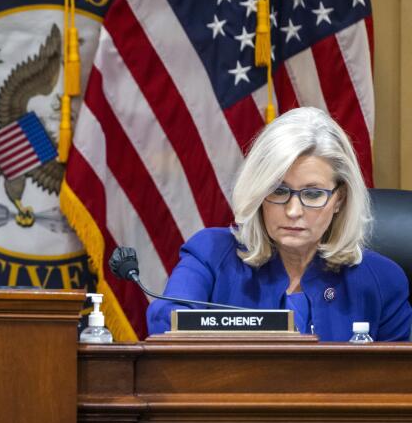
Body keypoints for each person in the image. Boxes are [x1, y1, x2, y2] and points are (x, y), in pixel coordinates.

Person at [147, 106, 412, 341]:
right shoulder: (210, 255)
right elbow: (166, 326)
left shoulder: (381, 280)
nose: (293, 210)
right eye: (278, 190)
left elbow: (398, 380)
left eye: (312, 194)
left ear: (339, 199)